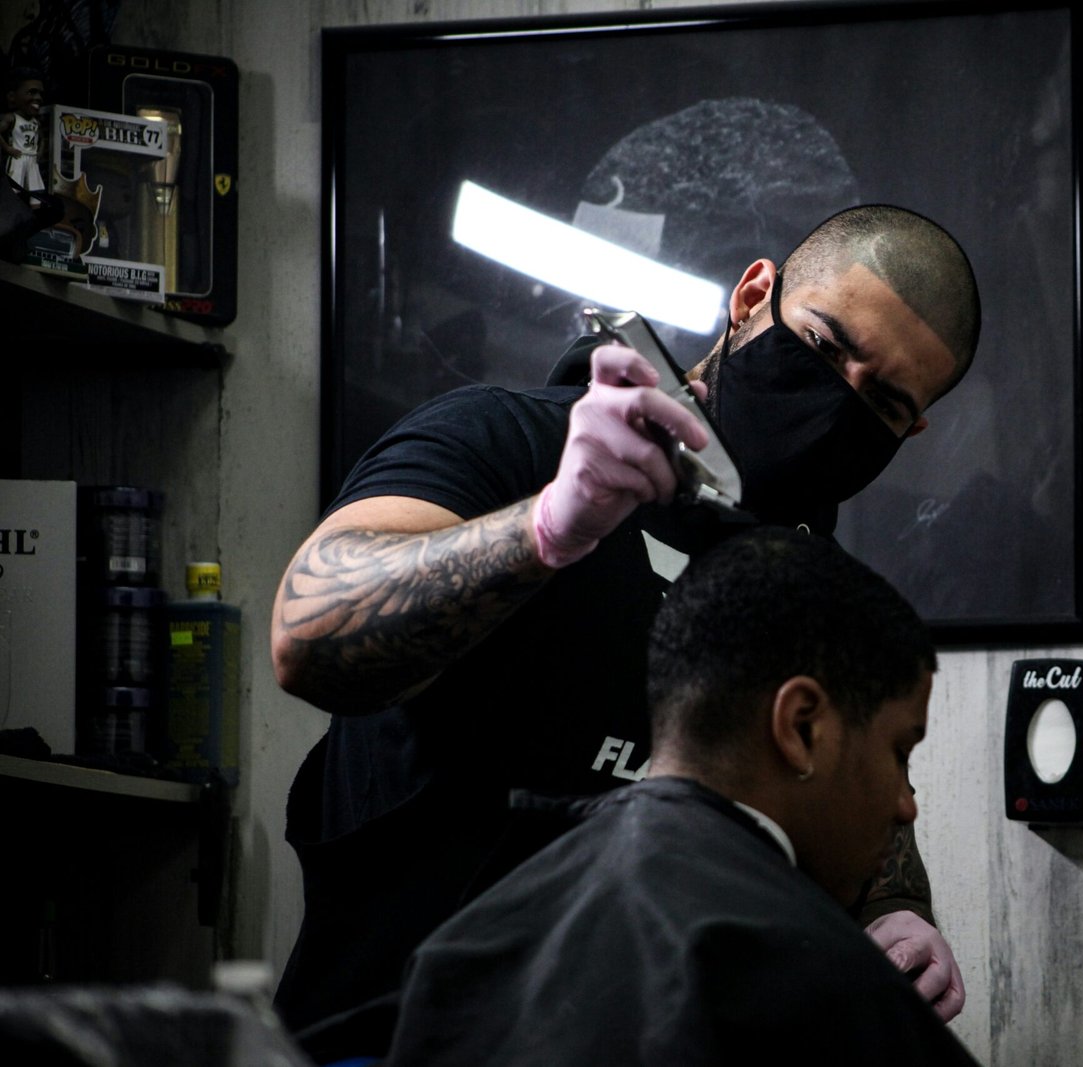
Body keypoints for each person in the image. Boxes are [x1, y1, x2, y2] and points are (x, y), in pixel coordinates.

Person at [270, 204, 981, 1045]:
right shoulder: (509, 440)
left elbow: (853, 792)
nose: (838, 405)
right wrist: (542, 530)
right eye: (825, 348)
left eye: (886, 402)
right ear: (754, 295)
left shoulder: (811, 590)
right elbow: (308, 636)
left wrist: (895, 909)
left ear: (915, 425)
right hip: (389, 1032)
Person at [385, 527, 978, 1066]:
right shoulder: (826, 991)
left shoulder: (459, 949)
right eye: (899, 752)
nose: (906, 804)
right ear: (800, 728)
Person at [2, 67, 45, 193]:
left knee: (36, 191)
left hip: (32, 158)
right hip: (18, 157)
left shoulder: (36, 122)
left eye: (41, 94)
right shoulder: (12, 118)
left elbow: (42, 138)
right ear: (12, 97)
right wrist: (7, 148)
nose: (38, 98)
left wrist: (40, 151)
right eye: (32, 92)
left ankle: (36, 211)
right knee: (14, 189)